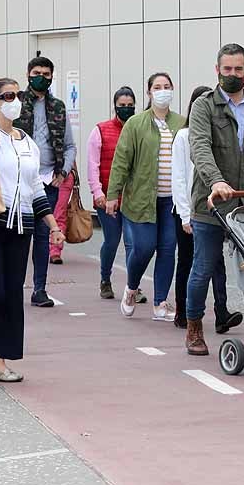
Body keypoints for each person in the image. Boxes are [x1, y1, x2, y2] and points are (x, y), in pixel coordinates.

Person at [0, 78, 65, 382]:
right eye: (8, 95)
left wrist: (53, 225)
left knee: (11, 296)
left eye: (17, 95)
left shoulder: (26, 141)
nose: (15, 100)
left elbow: (35, 188)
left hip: (21, 226)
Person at [185, 43, 244, 356]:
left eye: (238, 69)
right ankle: (194, 326)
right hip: (211, 202)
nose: (233, 75)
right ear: (217, 70)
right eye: (227, 70)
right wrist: (217, 181)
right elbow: (200, 148)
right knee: (204, 267)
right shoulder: (204, 106)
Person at [105, 73, 182, 322]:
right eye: (157, 87)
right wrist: (112, 194)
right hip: (141, 199)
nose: (162, 91)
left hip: (172, 201)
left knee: (168, 249)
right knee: (144, 247)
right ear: (149, 93)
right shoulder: (136, 124)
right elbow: (121, 162)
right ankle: (131, 287)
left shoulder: (181, 123)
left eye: (167, 87)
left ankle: (160, 302)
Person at [171, 86, 241, 333]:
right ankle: (184, 311)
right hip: (191, 209)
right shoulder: (183, 136)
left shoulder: (217, 136)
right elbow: (179, 177)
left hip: (214, 208)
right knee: (190, 263)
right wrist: (184, 214)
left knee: (215, 263)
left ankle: (221, 312)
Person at [13, 56, 77, 309]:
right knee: (18, 237)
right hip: (18, 182)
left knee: (43, 236)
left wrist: (63, 171)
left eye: (46, 74)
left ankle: (40, 289)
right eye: (37, 72)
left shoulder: (59, 107)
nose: (41, 77)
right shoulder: (14, 102)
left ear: (52, 77)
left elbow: (70, 145)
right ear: (28, 74)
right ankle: (14, 287)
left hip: (48, 180)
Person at [87, 86, 136, 299]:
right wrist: (98, 193)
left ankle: (133, 285)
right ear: (115, 106)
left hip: (134, 198)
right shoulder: (100, 130)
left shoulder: (139, 128)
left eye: (130, 106)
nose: (126, 109)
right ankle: (105, 279)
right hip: (108, 197)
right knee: (112, 240)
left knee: (134, 243)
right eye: (122, 106)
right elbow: (92, 165)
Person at [47, 165, 76, 265]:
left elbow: (71, 154)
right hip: (46, 175)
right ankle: (44, 246)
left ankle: (55, 251)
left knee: (60, 214)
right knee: (45, 213)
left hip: (65, 177)